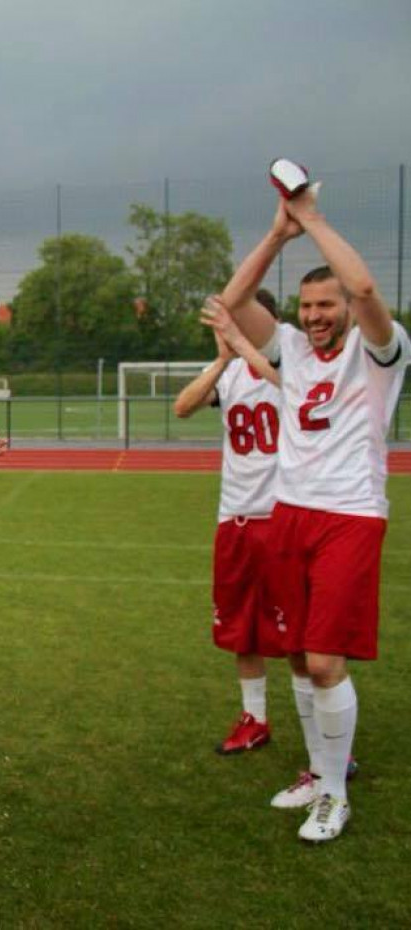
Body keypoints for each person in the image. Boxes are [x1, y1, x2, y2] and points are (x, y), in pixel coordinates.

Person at [222, 181, 409, 842]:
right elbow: (235, 302)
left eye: (324, 304)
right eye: (306, 306)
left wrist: (315, 220)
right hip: (287, 514)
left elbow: (364, 291)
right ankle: (316, 771)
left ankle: (333, 790)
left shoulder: (380, 352)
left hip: (348, 517)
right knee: (298, 658)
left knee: (325, 659)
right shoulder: (292, 350)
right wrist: (277, 233)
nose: (315, 316)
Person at [174, 291, 283, 755]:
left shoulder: (291, 368)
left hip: (285, 516)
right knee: (241, 628)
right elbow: (183, 407)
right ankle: (254, 717)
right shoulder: (229, 371)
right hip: (235, 517)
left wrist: (251, 349)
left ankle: (326, 734)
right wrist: (221, 361)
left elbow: (288, 389)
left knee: (299, 633)